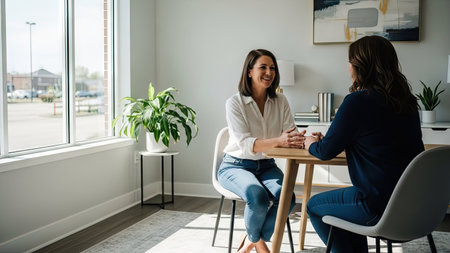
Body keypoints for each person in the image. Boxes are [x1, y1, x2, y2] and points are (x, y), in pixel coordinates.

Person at [304, 35, 424, 253]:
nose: (348, 66)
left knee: (313, 206)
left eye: (350, 61)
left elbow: (324, 151)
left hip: (377, 206)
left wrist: (309, 142)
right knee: (344, 213)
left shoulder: (358, 101)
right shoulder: (408, 102)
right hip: (414, 207)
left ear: (360, 66)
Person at [218, 49, 305, 253]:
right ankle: (259, 245)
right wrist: (280, 140)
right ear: (249, 72)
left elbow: (290, 135)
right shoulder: (234, 103)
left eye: (272, 68)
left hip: (266, 165)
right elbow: (248, 144)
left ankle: (251, 239)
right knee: (258, 197)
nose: (269, 72)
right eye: (263, 67)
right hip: (235, 165)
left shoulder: (280, 101)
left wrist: (307, 139)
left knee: (288, 198)